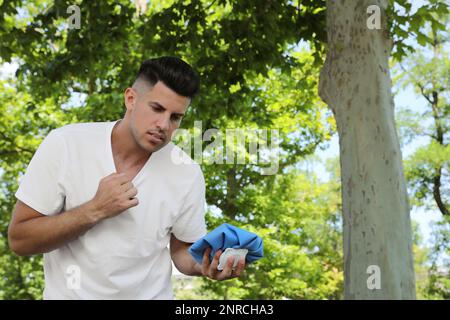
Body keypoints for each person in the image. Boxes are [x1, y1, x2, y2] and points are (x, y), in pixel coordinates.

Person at [7, 56, 245, 299]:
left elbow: (182, 249)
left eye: (175, 117)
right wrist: (94, 210)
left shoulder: (187, 173)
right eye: (157, 108)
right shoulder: (66, 145)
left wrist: (203, 265)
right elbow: (20, 240)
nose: (164, 124)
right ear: (131, 98)